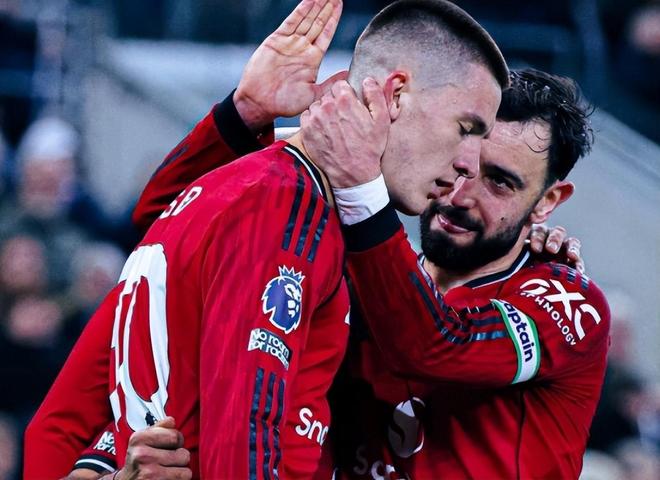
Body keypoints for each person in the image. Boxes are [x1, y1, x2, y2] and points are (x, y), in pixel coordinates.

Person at [24, 0, 511, 478]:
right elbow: (244, 436)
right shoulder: (286, 203)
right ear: (397, 95)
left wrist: (245, 113)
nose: (468, 164)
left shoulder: (243, 183)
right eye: (466, 128)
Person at [301, 69, 609, 478]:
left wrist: (361, 189)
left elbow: (434, 343)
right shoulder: (363, 272)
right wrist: (244, 117)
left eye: (499, 182)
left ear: (546, 201)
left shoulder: (569, 303)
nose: (460, 195)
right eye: (458, 163)